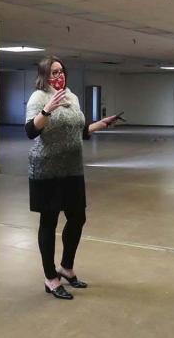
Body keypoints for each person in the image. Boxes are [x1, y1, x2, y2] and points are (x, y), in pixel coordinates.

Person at [25, 55, 121, 300]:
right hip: (47, 170)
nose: (59, 76)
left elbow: (80, 130)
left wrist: (102, 124)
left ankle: (66, 268)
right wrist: (48, 109)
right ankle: (50, 277)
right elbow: (30, 130)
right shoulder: (39, 97)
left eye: (61, 71)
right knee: (49, 222)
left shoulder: (72, 97)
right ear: (45, 76)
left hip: (72, 170)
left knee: (78, 217)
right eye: (54, 73)